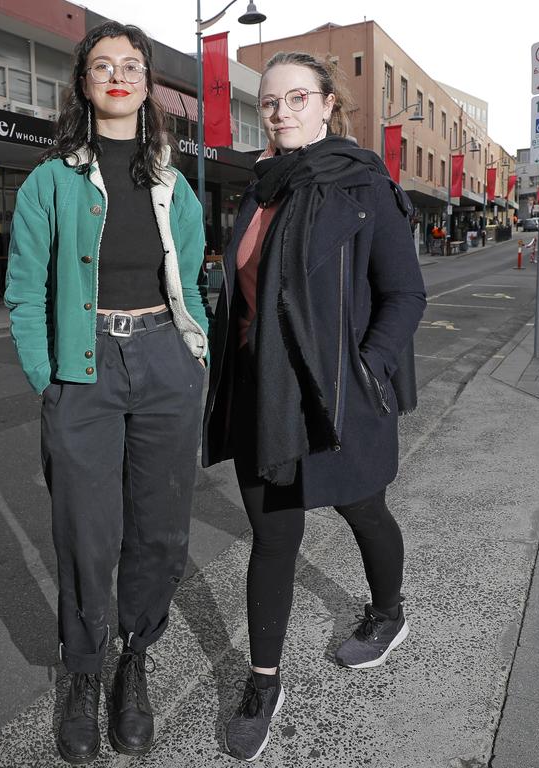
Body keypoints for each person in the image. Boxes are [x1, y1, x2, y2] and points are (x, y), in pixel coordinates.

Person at [201, 51, 426, 761]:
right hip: (262, 393)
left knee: (363, 509)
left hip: (338, 392)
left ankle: (388, 614)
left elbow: (405, 294)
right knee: (273, 539)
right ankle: (264, 683)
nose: (282, 112)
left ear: (328, 104)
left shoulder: (362, 183)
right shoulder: (261, 188)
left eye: (297, 98)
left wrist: (368, 367)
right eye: (270, 102)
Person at [5, 21, 209, 764]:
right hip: (83, 371)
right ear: (83, 84)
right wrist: (48, 377)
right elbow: (25, 290)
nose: (118, 75)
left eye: (132, 65)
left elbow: (192, 282)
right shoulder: (48, 182)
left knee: (159, 529)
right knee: (86, 534)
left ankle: (134, 663)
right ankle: (83, 673)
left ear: (148, 84)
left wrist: (196, 358)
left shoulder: (172, 184)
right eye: (103, 65)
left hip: (164, 362)